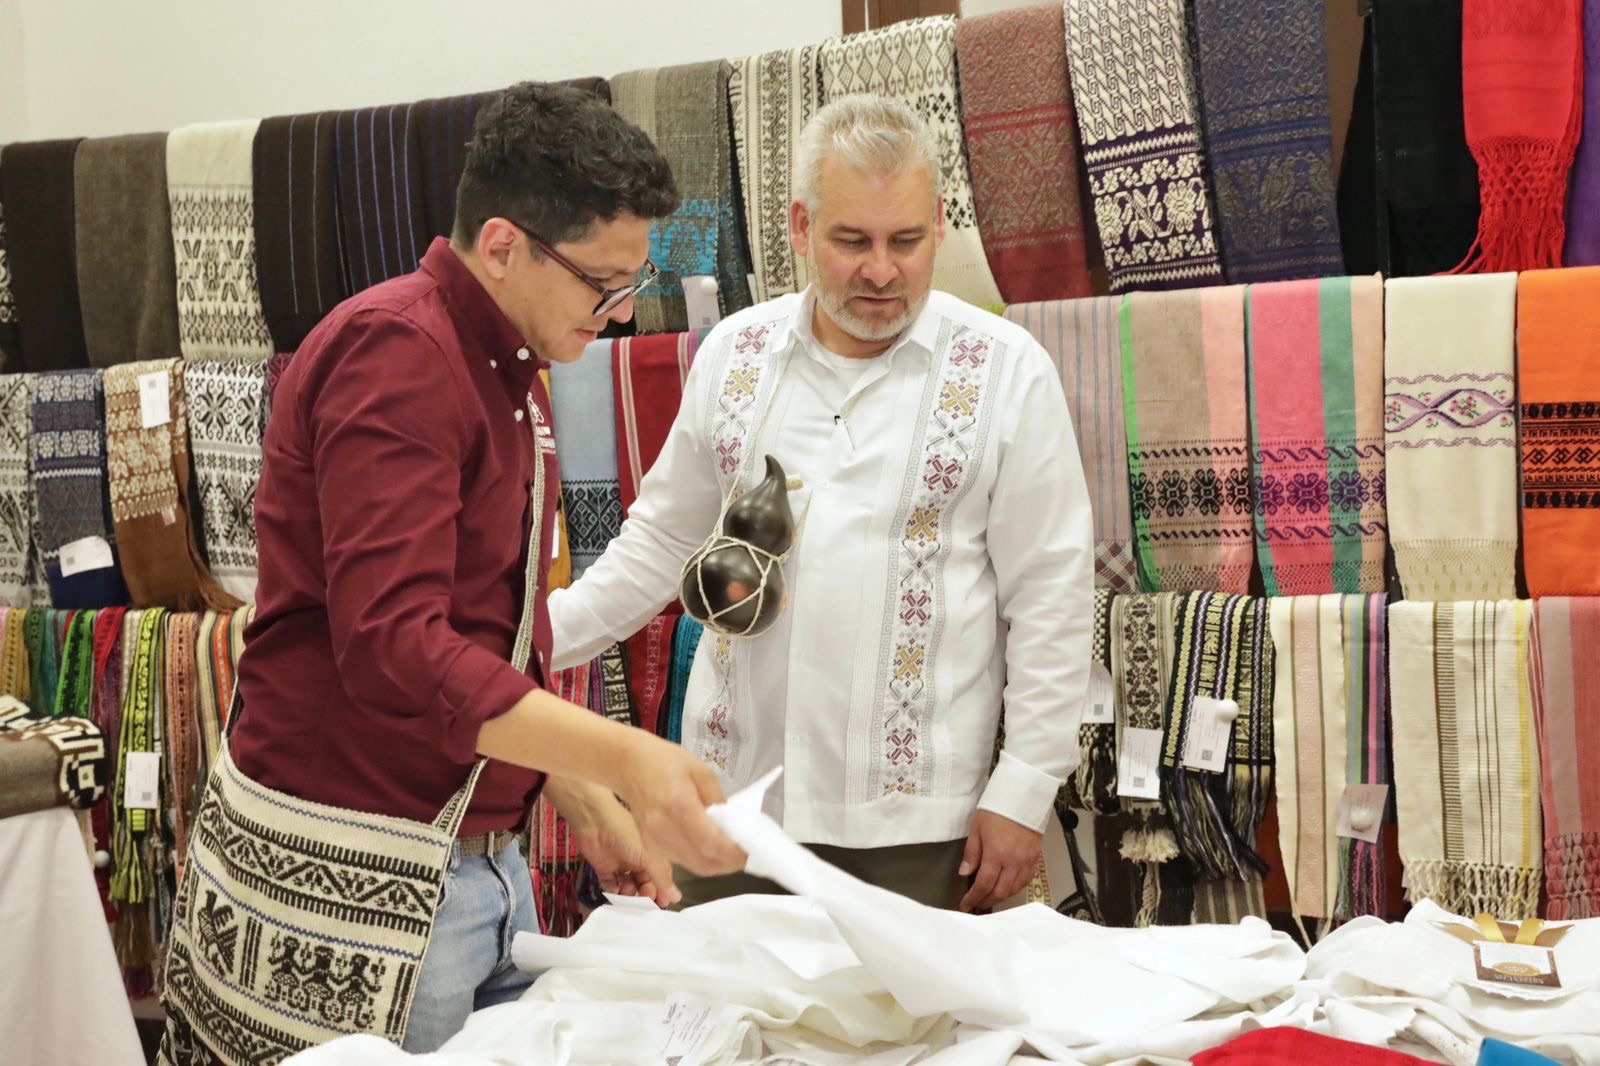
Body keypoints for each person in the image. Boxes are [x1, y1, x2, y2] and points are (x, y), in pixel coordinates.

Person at [159, 82, 743, 1061]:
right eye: (600, 283)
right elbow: (397, 649)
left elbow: (490, 633)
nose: (616, 314)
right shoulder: (399, 355)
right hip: (359, 880)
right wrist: (627, 758)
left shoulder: (507, 367)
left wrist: (573, 789)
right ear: (505, 244)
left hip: (469, 864)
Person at [550, 94, 1093, 913]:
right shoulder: (735, 354)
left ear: (938, 228)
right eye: (852, 241)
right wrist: (523, 651)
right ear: (801, 228)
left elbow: (1051, 593)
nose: (881, 271)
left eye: (905, 241)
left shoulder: (1006, 371)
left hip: (919, 820)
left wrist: (1025, 785)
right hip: (731, 807)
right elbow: (660, 542)